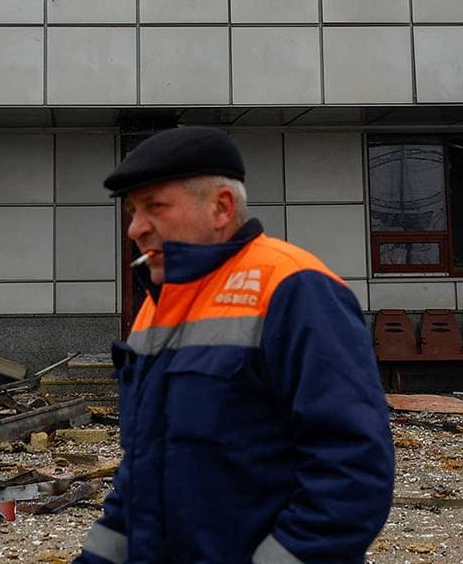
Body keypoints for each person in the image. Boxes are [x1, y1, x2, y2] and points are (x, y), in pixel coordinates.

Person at [76, 126, 394, 564]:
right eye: (132, 211)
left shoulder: (295, 290)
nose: (135, 229)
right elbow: (141, 473)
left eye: (155, 207)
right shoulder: (158, 305)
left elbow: (351, 471)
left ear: (221, 207)